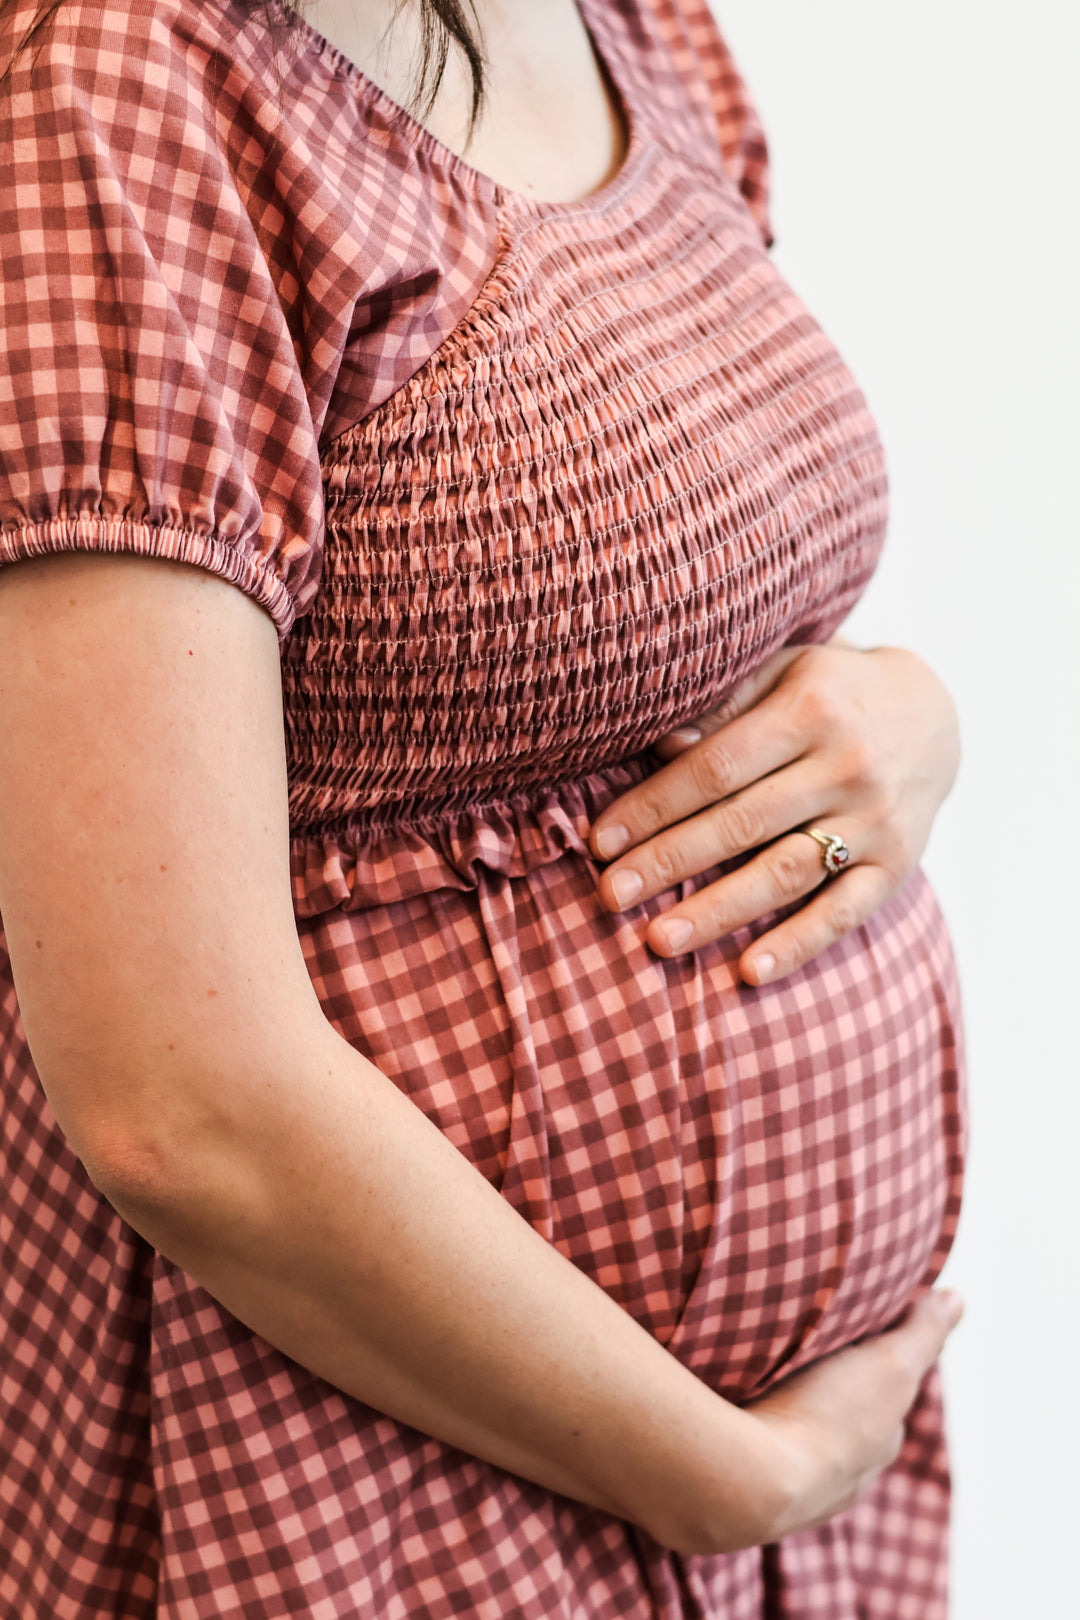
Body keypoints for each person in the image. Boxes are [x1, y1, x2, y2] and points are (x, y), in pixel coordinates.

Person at [0, 0, 966, 1613]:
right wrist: (717, 1474)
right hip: (392, 1465)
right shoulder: (125, 82)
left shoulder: (627, 20)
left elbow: (685, 565)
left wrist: (904, 716)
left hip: (759, 1490)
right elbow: (178, 1101)